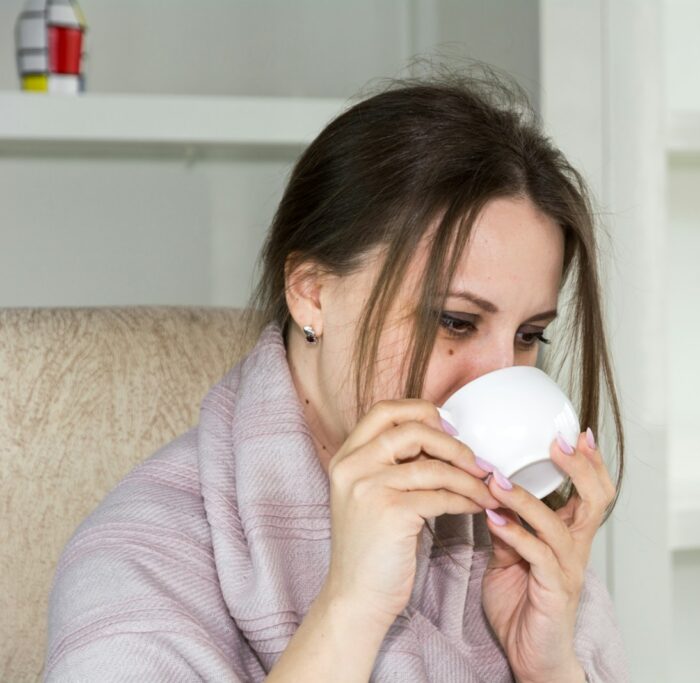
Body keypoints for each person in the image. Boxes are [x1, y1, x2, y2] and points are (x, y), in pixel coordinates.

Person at [43, 61, 629, 682]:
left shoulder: (516, 552)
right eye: (454, 321)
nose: (496, 372)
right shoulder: (145, 557)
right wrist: (350, 609)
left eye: (528, 335)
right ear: (312, 294)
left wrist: (547, 666)